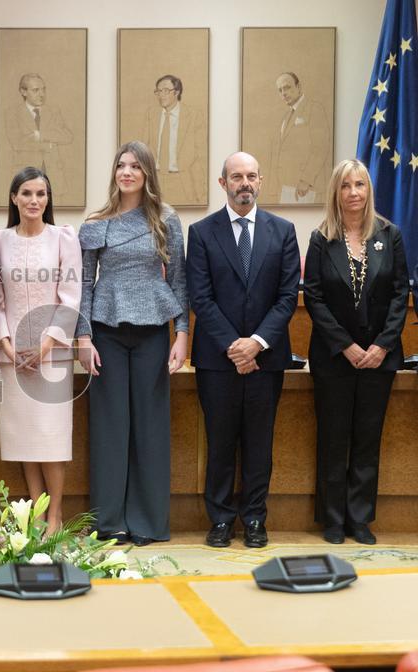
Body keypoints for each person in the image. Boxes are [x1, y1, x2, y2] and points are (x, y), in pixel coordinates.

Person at [75, 141, 188, 547]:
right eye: (121, 165)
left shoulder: (166, 219)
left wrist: (182, 334)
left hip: (152, 331)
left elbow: (179, 280)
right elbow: (84, 282)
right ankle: (110, 523)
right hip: (105, 330)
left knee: (149, 427)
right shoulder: (96, 221)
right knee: (109, 426)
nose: (127, 172)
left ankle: (147, 522)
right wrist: (83, 336)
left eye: (135, 166)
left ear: (147, 174)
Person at [187, 151, 300, 549]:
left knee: (258, 445)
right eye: (236, 177)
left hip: (266, 359)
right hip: (218, 361)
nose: (245, 183)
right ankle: (220, 520)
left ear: (260, 181)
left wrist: (256, 343)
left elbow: (287, 297)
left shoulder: (283, 231)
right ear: (223, 183)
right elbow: (200, 297)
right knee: (219, 443)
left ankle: (254, 518)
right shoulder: (201, 232)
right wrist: (235, 346)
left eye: (251, 176)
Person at [303, 159, 408, 545]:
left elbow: (400, 293)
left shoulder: (389, 235)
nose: (353, 193)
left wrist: (382, 345)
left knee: (367, 438)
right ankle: (332, 519)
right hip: (335, 358)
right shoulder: (321, 238)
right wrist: (345, 345)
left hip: (379, 358)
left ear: (368, 189)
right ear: (336, 191)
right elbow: (313, 297)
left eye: (359, 185)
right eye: (345, 185)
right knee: (333, 438)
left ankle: (359, 518)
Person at [0, 167, 80, 536]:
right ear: (14, 198)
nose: (33, 200)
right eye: (26, 193)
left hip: (53, 358)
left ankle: (55, 516)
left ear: (48, 199)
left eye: (40, 194)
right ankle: (36, 514)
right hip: (12, 357)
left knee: (52, 439)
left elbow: (70, 299)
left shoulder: (63, 238)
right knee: (25, 439)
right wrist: (7, 345)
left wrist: (45, 346)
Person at [4, 74, 73, 198]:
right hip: (25, 175)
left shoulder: (53, 111)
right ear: (23, 92)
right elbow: (17, 143)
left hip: (54, 176)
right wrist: (50, 143)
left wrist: (40, 135)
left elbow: (67, 136)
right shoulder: (12, 113)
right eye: (36, 90)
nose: (42, 94)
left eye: (43, 89)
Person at [142, 74, 207, 205]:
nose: (161, 95)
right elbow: (143, 148)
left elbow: (201, 156)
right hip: (156, 180)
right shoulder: (151, 114)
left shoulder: (193, 116)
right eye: (158, 91)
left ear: (177, 92)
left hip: (182, 180)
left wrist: (201, 192)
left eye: (166, 91)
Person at [270, 72, 330, 204]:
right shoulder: (286, 116)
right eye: (280, 90)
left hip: (306, 188)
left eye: (287, 87)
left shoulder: (314, 109)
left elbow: (320, 148)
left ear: (299, 87)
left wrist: (306, 180)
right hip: (286, 187)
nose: (283, 93)